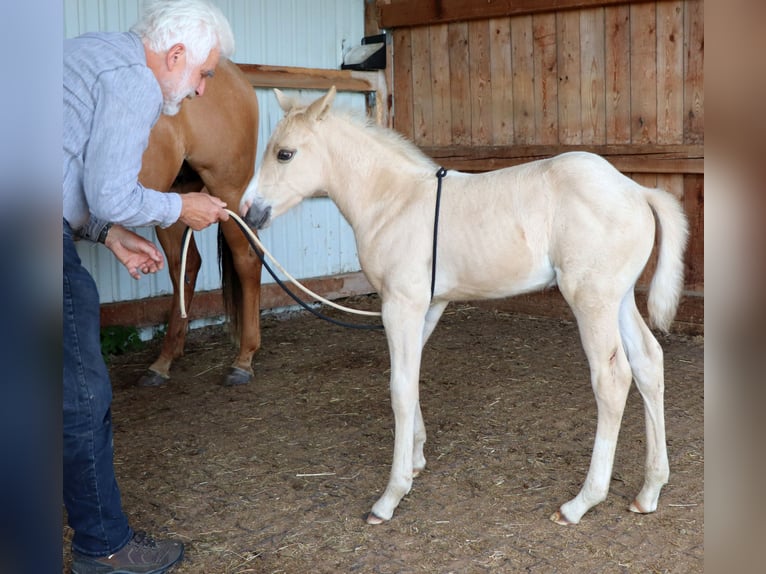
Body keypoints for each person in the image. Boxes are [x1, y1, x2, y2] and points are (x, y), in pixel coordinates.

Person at [63, 1, 236, 572]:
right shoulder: (136, 80)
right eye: (204, 73)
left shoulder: (92, 53)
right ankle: (103, 548)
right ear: (176, 55)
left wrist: (107, 233)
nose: (203, 89)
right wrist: (179, 206)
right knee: (82, 395)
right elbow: (113, 191)